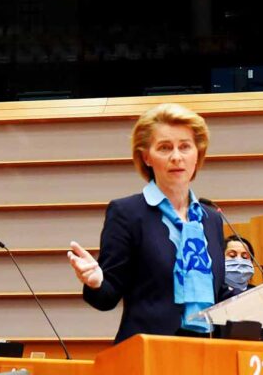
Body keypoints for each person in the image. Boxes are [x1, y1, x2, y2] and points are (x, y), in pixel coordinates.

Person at [67, 103, 228, 342]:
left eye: (185, 146)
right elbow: (106, 297)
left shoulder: (211, 218)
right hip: (147, 353)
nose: (176, 157)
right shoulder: (128, 213)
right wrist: (96, 282)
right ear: (147, 157)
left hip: (205, 354)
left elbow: (218, 293)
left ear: (198, 154)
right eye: (164, 148)